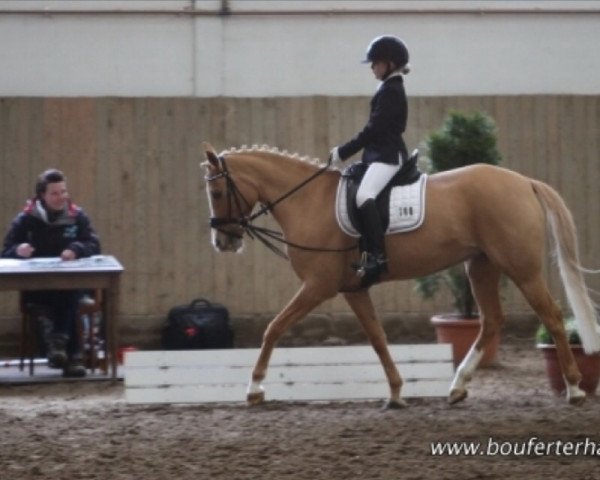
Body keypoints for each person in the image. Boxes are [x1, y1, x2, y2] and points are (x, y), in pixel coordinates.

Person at [2, 168, 101, 377]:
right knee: (65, 297)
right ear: (42, 196)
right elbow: (6, 251)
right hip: (37, 287)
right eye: (55, 193)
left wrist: (76, 249)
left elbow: (94, 244)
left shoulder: (77, 217)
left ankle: (58, 344)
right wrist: (18, 251)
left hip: (70, 284)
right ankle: (72, 356)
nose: (61, 197)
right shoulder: (25, 219)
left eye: (63, 192)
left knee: (69, 291)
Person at [330, 35, 410, 279]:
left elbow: (373, 129)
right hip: (378, 154)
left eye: (375, 63)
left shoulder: (392, 90)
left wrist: (343, 151)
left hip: (388, 156)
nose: (372, 68)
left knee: (365, 196)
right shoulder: (387, 87)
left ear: (389, 63)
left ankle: (377, 256)